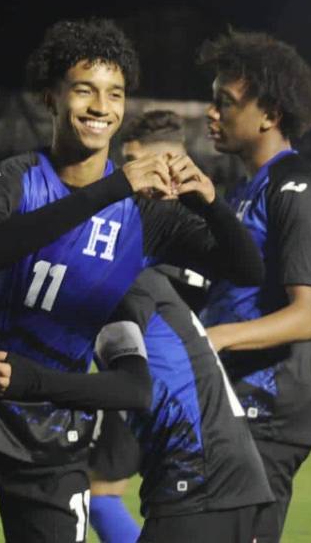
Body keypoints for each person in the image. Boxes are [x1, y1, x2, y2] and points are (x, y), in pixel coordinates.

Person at [0, 18, 264, 543]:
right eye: (84, 90)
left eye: (115, 94)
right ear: (50, 96)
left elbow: (247, 268)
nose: (100, 107)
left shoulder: (143, 214)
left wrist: (212, 203)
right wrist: (112, 188)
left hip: (52, 443)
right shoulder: (9, 180)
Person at [0, 268, 275, 543]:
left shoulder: (122, 281)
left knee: (100, 492)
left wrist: (31, 381)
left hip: (202, 483)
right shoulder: (135, 278)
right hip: (224, 480)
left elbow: (132, 389)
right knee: (101, 492)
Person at [197, 30, 311, 543]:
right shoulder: (239, 194)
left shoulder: (297, 189)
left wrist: (217, 338)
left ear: (269, 114)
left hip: (267, 418)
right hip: (228, 407)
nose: (212, 113)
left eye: (224, 103)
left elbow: (307, 314)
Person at [85, 109, 208, 542]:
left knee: (97, 495)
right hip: (189, 398)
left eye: (138, 159)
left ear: (172, 161)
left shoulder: (155, 230)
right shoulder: (206, 226)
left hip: (143, 382)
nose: (130, 171)